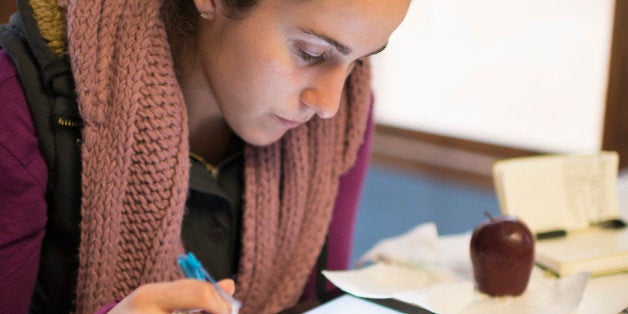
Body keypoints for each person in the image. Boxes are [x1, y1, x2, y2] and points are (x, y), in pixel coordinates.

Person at [0, 0, 410, 312]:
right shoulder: (17, 101)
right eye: (311, 53)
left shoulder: (346, 113)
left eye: (359, 61)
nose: (330, 105)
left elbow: (320, 299)